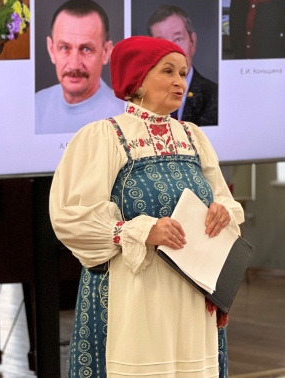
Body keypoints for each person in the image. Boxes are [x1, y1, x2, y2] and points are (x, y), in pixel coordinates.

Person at [50, 36, 245, 377]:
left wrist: (222, 211)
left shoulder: (193, 137)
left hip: (192, 294)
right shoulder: (105, 136)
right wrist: (142, 230)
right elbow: (72, 217)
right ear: (138, 79)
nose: (180, 81)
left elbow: (221, 197)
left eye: (182, 73)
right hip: (135, 294)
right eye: (168, 71)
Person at [35, 0, 125, 134]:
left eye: (86, 49)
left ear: (106, 52)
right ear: (51, 50)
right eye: (64, 48)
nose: (74, 65)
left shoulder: (123, 118)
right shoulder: (36, 106)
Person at [148, 4, 219, 126]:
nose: (171, 53)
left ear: (193, 42)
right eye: (161, 43)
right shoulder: (142, 99)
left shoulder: (215, 97)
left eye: (178, 39)